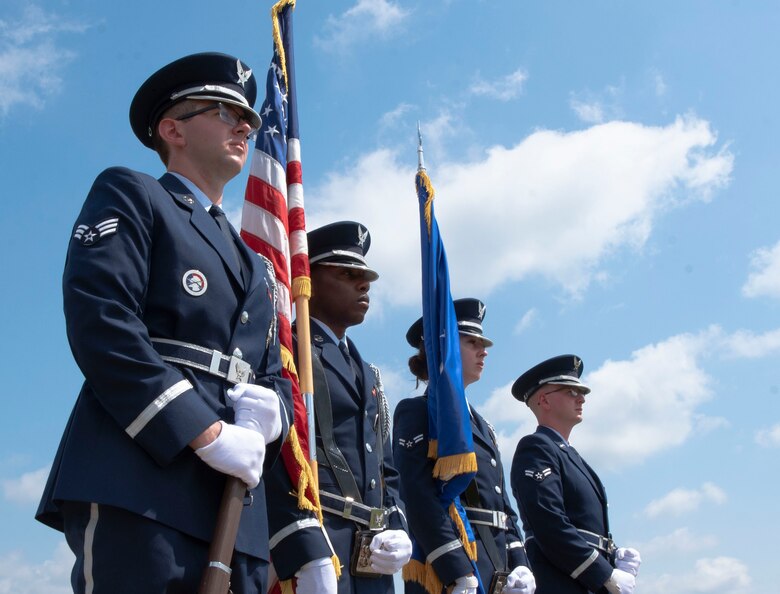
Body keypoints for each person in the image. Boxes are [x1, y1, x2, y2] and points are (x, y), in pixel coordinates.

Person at [35, 52, 297, 593]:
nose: (244, 125)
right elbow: (103, 320)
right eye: (224, 111)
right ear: (172, 129)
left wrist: (271, 416)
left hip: (236, 502)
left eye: (246, 116)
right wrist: (203, 431)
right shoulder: (134, 194)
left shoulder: (257, 265)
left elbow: (271, 368)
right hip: (143, 477)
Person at [265, 221, 412, 594]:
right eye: (348, 274)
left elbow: (384, 466)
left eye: (365, 276)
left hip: (371, 554)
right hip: (318, 544)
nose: (364, 284)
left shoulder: (368, 372)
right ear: (307, 280)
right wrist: (301, 546)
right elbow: (278, 454)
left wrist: (397, 525)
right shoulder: (289, 351)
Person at [393, 299, 536, 594]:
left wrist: (520, 563)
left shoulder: (483, 426)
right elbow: (418, 497)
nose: (484, 351)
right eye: (472, 342)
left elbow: (502, 505)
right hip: (451, 569)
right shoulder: (416, 412)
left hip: (497, 568)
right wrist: (457, 572)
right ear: (443, 346)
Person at [509, 355, 642, 594]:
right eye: (570, 392)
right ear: (544, 400)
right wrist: (605, 574)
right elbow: (548, 523)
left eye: (581, 393)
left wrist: (613, 555)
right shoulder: (537, 447)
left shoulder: (568, 455)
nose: (581, 398)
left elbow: (582, 524)